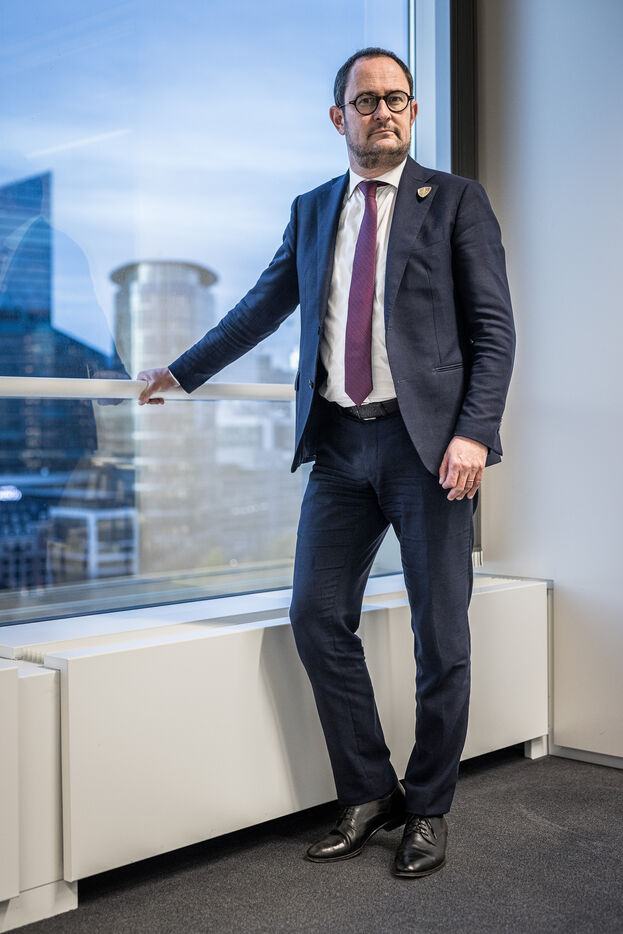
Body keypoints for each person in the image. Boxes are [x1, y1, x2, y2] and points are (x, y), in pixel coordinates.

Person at [137, 47, 515, 879]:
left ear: (412, 112)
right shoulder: (312, 210)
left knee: (440, 639)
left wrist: (473, 434)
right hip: (341, 446)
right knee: (314, 615)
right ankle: (368, 790)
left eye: (396, 98)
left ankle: (428, 808)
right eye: (366, 100)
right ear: (338, 116)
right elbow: (261, 306)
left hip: (429, 450)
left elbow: (493, 330)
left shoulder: (454, 200)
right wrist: (181, 372)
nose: (383, 112)